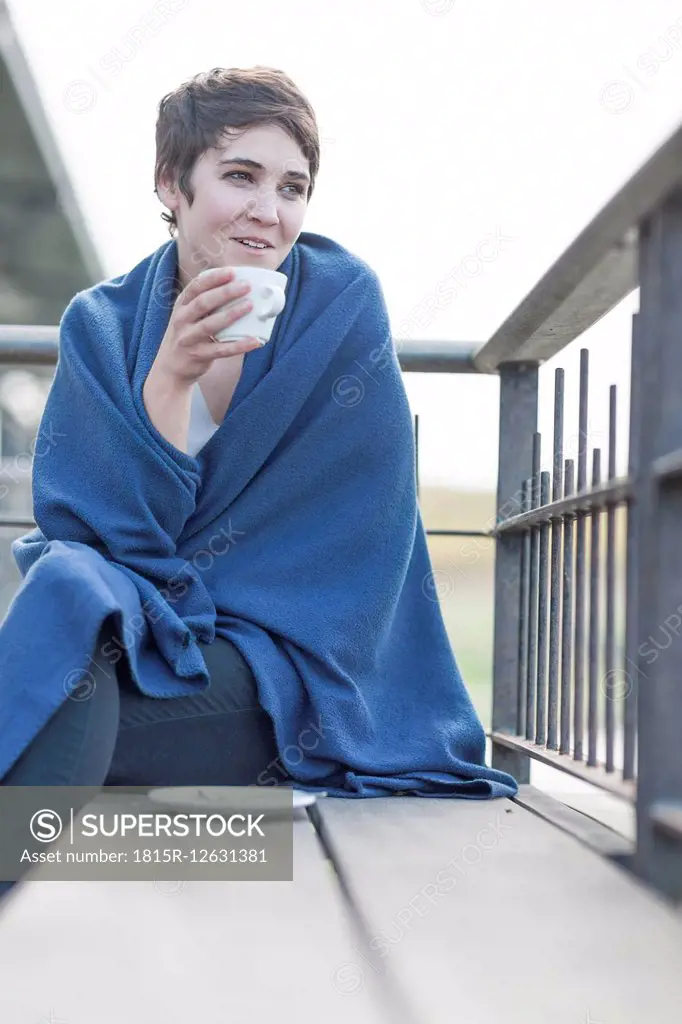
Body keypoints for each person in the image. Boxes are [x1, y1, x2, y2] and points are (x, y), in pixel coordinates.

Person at [0, 66, 517, 908]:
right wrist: (167, 381)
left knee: (47, 693)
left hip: (290, 681)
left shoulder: (340, 305)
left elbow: (355, 551)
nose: (267, 211)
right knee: (66, 594)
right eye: (240, 176)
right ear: (172, 184)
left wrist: (182, 605)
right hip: (143, 646)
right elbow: (98, 545)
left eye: (293, 187)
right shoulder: (101, 326)